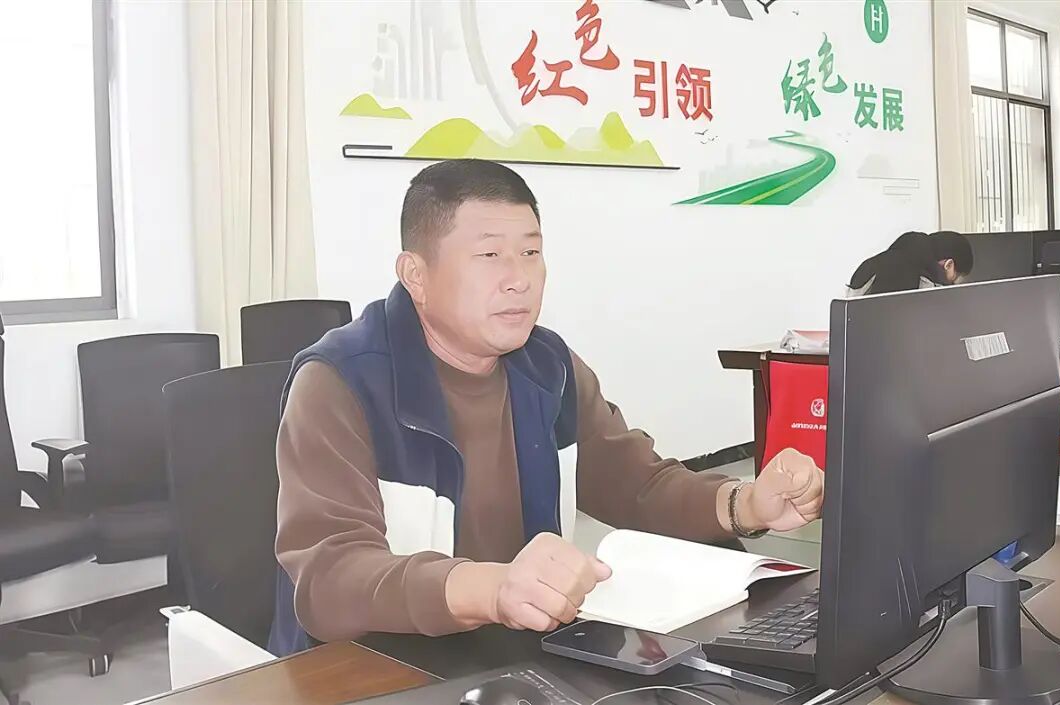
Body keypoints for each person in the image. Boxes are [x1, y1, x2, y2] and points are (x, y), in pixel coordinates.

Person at [268, 159, 825, 655]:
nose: (518, 280)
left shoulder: (546, 365)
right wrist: (490, 589)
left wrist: (746, 504)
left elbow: (638, 485)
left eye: (531, 253)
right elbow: (330, 577)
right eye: (489, 255)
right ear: (416, 274)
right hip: (373, 665)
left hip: (519, 651)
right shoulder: (340, 382)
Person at [846, 230, 974, 296]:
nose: (952, 284)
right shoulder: (925, 285)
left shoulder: (873, 263)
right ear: (949, 265)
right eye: (955, 278)